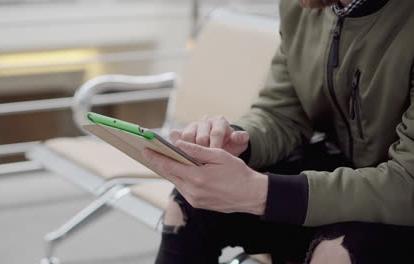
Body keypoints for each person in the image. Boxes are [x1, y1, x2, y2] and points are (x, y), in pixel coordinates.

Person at [142, 0, 414, 263]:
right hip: (345, 177)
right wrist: (236, 139)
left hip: (400, 202)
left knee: (340, 250)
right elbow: (282, 112)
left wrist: (264, 194)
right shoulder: (302, 8)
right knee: (190, 204)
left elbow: (407, 181)